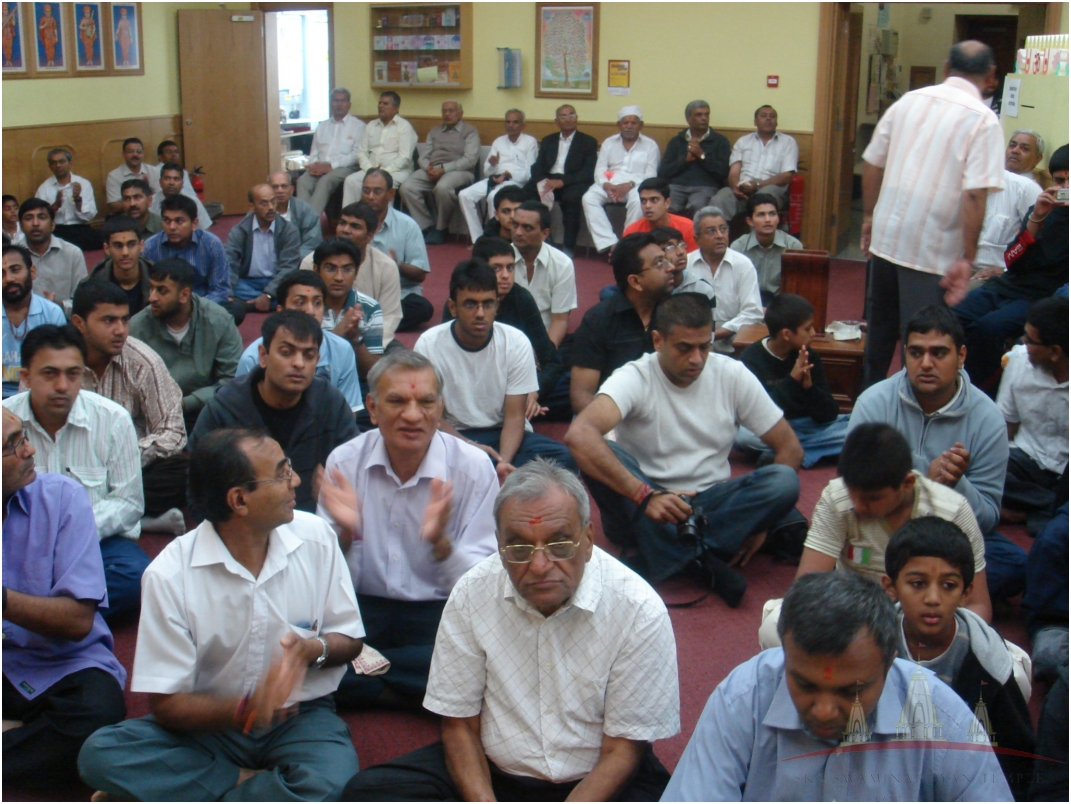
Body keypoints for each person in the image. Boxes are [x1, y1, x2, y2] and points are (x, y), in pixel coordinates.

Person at [342, 459, 680, 802]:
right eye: (519, 548)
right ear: (500, 547)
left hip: (600, 778)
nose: (540, 565)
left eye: (559, 544)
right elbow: (460, 725)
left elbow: (623, 750)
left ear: (589, 539)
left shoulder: (638, 609)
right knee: (368, 793)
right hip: (494, 770)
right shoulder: (472, 593)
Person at [77, 428, 365, 802]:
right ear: (239, 500)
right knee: (100, 753)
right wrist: (245, 709)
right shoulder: (170, 574)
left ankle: (189, 788)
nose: (295, 480)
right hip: (210, 723)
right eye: (281, 473)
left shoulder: (316, 537)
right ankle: (251, 784)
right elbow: (168, 706)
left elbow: (350, 639)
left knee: (335, 783)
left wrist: (313, 650)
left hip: (299, 715)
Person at [663, 571, 1013, 801]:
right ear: (785, 654)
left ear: (890, 662)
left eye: (851, 692)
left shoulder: (941, 716)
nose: (824, 711)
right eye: (805, 685)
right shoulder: (743, 696)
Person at [565, 293, 802, 605]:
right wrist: (645, 495)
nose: (697, 359)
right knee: (601, 452)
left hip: (708, 505)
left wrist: (764, 523)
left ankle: (672, 557)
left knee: (783, 481)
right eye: (685, 348)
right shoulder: (634, 376)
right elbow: (578, 435)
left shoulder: (731, 374)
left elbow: (790, 448)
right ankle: (704, 560)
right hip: (642, 506)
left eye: (705, 346)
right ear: (658, 341)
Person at [317, 349, 499, 709]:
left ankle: (371, 681)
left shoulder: (473, 468)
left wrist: (440, 543)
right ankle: (415, 688)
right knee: (308, 650)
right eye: (397, 401)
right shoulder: (345, 462)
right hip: (362, 610)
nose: (413, 416)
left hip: (437, 611)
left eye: (426, 402)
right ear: (372, 408)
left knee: (484, 659)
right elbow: (322, 579)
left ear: (441, 408)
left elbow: (484, 584)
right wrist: (344, 535)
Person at [758, 422, 992, 649]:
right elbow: (807, 587)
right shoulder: (837, 498)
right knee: (775, 626)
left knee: (1006, 662)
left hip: (923, 627)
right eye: (853, 494)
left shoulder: (952, 511)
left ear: (907, 483)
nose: (859, 506)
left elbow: (978, 605)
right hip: (851, 619)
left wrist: (941, 642)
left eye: (873, 498)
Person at [849, 306, 1026, 601]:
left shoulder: (988, 418)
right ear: (905, 354)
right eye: (916, 353)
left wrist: (956, 485)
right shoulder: (874, 403)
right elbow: (856, 494)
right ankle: (930, 591)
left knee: (1015, 566)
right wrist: (924, 486)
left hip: (951, 537)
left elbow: (987, 519)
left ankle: (899, 589)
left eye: (939, 353)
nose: (926, 364)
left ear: (961, 356)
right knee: (844, 542)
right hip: (884, 528)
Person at [860, 41, 1005, 389]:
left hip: (886, 238)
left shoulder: (908, 101)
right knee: (924, 343)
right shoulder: (983, 119)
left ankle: (866, 407)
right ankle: (915, 413)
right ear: (990, 76)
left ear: (945, 68)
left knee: (878, 338)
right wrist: (968, 258)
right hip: (931, 251)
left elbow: (872, 163)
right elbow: (974, 194)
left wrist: (868, 217)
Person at [1, 407, 127, 790]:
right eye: (12, 445)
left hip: (60, 663)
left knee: (97, 716)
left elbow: (76, 621)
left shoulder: (61, 498)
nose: (29, 451)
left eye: (24, 437)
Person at [881, 517, 1034, 799]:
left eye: (949, 585)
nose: (933, 598)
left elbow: (1013, 758)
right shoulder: (873, 650)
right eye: (918, 583)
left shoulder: (989, 664)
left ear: (966, 593)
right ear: (891, 587)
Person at [3, 325, 147, 619]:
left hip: (97, 542)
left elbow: (128, 502)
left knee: (136, 576)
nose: (62, 385)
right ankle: (61, 614)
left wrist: (71, 532)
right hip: (20, 544)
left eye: (73, 374)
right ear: (25, 377)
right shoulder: (7, 423)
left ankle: (35, 612)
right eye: (50, 374)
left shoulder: (113, 419)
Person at [414, 260, 577, 476]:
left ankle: (489, 474)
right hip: (452, 435)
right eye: (471, 304)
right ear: (453, 307)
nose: (480, 313)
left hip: (504, 435)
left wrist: (503, 463)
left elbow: (515, 417)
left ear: (497, 306)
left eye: (488, 304)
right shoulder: (428, 344)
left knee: (564, 460)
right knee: (420, 456)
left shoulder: (516, 342)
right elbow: (430, 415)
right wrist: (469, 448)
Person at [190, 311, 357, 513]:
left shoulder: (331, 403)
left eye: (309, 355)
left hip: (316, 521)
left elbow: (354, 471)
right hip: (245, 524)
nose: (299, 363)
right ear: (263, 355)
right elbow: (197, 487)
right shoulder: (225, 409)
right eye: (286, 352)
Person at [70, 281, 188, 536]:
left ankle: (95, 518)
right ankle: (133, 522)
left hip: (130, 468)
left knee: (185, 470)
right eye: (109, 321)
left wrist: (123, 458)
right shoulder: (56, 361)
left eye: (125, 320)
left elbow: (173, 430)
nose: (120, 330)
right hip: (70, 467)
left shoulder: (142, 361)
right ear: (79, 323)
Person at [954, 144, 1068, 392]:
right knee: (953, 316)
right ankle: (951, 382)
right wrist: (1036, 218)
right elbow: (1011, 259)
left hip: (1041, 297)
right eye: (1060, 181)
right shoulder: (1042, 210)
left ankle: (979, 392)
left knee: (988, 329)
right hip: (1007, 285)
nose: (1066, 188)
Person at [442, 236, 562, 418]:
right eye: (496, 268)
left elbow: (551, 359)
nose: (505, 275)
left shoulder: (522, 298)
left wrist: (533, 391)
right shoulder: (460, 302)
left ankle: (522, 408)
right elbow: (449, 360)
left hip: (517, 381)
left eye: (510, 267)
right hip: (470, 383)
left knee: (572, 384)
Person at [128, 258, 242, 433]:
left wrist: (185, 403)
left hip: (208, 410)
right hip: (154, 416)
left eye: (162, 291)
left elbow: (231, 382)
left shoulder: (219, 321)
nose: (152, 298)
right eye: (151, 288)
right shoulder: (137, 327)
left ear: (184, 295)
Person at [737, 293, 848, 467]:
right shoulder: (751, 359)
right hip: (772, 428)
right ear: (786, 334)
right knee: (743, 436)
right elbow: (759, 414)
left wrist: (809, 388)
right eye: (807, 329)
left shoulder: (810, 355)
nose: (813, 333)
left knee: (854, 427)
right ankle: (797, 451)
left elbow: (829, 415)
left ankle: (781, 452)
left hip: (808, 426)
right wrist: (792, 380)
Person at [569, 232, 673, 414]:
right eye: (659, 263)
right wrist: (615, 427)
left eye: (666, 260)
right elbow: (582, 395)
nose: (670, 267)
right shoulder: (599, 320)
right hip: (612, 413)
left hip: (664, 410)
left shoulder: (674, 313)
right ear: (635, 281)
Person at [236, 269, 365, 414]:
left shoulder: (342, 349)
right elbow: (242, 417)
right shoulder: (254, 357)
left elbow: (348, 415)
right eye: (300, 302)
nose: (310, 311)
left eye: (317, 303)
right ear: (281, 310)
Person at [996, 297, 1068, 534]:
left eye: (1029, 340)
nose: (1022, 343)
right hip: (1027, 460)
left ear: (1055, 351)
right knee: (980, 467)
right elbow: (1004, 427)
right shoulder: (1018, 362)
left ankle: (1033, 511)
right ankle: (1049, 512)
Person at [300, 206, 401, 344]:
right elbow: (302, 316)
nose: (345, 230)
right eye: (342, 223)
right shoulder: (310, 262)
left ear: (369, 235)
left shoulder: (386, 266)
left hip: (369, 339)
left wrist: (370, 344)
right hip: (318, 340)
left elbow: (390, 317)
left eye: (355, 226)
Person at [141, 194, 243, 325]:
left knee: (235, 310)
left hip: (202, 306)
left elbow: (220, 289)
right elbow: (146, 288)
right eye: (167, 221)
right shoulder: (151, 246)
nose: (172, 227)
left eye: (179, 221)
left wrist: (192, 309)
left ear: (194, 223)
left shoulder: (211, 244)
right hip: (165, 305)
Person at [360, 169, 433, 332]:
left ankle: (366, 322)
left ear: (391, 194)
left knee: (422, 309)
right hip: (360, 292)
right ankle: (379, 322)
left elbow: (420, 274)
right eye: (366, 190)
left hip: (397, 295)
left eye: (377, 191)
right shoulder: (352, 223)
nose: (370, 196)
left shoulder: (407, 225)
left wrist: (396, 265)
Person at [399, 100, 480, 245]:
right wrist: (427, 168)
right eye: (444, 111)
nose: (447, 114)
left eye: (451, 111)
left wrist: (444, 169)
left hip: (459, 170)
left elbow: (470, 160)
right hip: (433, 169)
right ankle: (426, 226)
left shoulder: (470, 131)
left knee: (443, 187)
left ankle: (441, 228)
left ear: (460, 113)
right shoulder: (434, 131)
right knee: (407, 187)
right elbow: (424, 156)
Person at [581, 106, 660, 254]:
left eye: (633, 123)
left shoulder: (650, 145)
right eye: (625, 123)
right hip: (610, 185)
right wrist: (605, 184)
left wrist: (629, 184)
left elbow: (651, 175)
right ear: (619, 125)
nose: (629, 126)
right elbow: (600, 169)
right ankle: (610, 243)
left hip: (637, 185)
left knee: (640, 200)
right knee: (589, 198)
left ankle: (628, 243)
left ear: (641, 125)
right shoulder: (609, 143)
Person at [523, 105, 598, 256]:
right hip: (548, 179)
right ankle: (541, 241)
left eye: (571, 115)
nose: (568, 119)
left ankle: (568, 248)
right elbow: (537, 166)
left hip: (572, 182)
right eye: (563, 116)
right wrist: (544, 181)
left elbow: (588, 172)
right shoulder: (548, 140)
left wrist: (563, 182)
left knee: (572, 199)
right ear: (556, 121)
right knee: (525, 194)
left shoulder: (588, 141)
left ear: (576, 118)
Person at [686, 206, 763, 352]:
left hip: (734, 346)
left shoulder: (743, 265)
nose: (720, 235)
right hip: (693, 346)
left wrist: (716, 334)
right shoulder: (686, 265)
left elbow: (753, 312)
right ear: (697, 239)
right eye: (711, 231)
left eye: (723, 229)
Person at [458, 109, 538, 241]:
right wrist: (492, 165)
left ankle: (496, 239)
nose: (510, 125)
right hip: (496, 179)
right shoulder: (498, 141)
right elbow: (486, 171)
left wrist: (509, 174)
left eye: (515, 122)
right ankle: (478, 239)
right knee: (464, 195)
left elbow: (531, 172)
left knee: (494, 197)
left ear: (523, 125)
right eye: (508, 122)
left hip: (516, 181)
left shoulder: (530, 142)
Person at [972, 136, 1045, 280]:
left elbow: (1039, 243)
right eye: (1012, 145)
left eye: (1024, 148)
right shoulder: (963, 182)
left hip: (995, 275)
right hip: (958, 266)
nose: (1015, 151)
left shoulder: (1026, 189)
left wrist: (1005, 271)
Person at [224, 183, 301, 311]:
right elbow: (229, 262)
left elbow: (289, 267)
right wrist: (228, 293)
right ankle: (272, 304)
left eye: (273, 202)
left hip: (278, 281)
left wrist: (268, 294)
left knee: (294, 287)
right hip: (248, 282)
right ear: (252, 207)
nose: (271, 207)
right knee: (229, 287)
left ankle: (247, 304)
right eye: (264, 203)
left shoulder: (289, 230)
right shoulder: (240, 230)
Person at [510, 201, 577, 347]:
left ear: (544, 233)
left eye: (527, 228)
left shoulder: (562, 264)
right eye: (515, 225)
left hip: (543, 340)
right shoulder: (498, 260)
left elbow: (560, 320)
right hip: (506, 341)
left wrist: (546, 354)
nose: (518, 232)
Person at [712, 105, 799, 217]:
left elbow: (786, 176)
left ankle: (757, 229)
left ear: (776, 122)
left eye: (772, 116)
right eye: (763, 116)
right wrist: (736, 187)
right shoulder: (743, 141)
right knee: (720, 198)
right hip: (743, 186)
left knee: (762, 198)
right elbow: (733, 172)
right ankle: (722, 228)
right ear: (755, 121)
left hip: (771, 188)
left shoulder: (788, 142)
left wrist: (758, 185)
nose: (768, 119)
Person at [2, 244, 65, 398]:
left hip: (40, 395)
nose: (9, 279)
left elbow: (61, 363)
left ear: (32, 272)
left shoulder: (51, 313)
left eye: (15, 270)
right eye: (1, 273)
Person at [295, 87, 366, 215]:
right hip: (320, 166)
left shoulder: (358, 126)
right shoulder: (322, 126)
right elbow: (314, 152)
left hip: (345, 167)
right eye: (335, 100)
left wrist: (331, 166)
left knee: (325, 181)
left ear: (349, 105)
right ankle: (302, 219)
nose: (339, 104)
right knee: (302, 181)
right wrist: (313, 166)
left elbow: (356, 155)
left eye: (343, 101)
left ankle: (310, 222)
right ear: (331, 103)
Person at [343, 91, 418, 206]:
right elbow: (361, 153)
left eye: (385, 103)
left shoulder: (404, 127)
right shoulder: (371, 125)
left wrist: (384, 172)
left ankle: (383, 217)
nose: (380, 106)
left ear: (396, 108)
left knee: (384, 184)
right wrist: (370, 170)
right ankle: (351, 215)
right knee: (351, 181)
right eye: (379, 103)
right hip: (370, 170)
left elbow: (405, 157)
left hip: (396, 171)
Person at [658, 100, 731, 217]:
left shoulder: (720, 141)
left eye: (706, 114)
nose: (704, 118)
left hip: (705, 187)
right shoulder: (676, 141)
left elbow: (723, 172)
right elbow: (663, 172)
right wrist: (684, 161)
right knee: (667, 206)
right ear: (688, 119)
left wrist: (702, 156)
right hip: (677, 187)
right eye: (699, 115)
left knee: (697, 206)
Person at [729, 193, 803, 302]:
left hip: (782, 304)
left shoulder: (793, 246)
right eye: (761, 215)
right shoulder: (738, 247)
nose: (768, 219)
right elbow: (733, 286)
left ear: (778, 218)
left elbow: (797, 287)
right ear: (750, 221)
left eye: (772, 214)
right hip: (747, 302)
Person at [19, 198, 87, 311]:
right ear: (21, 226)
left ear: (52, 225)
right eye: (28, 218)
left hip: (64, 319)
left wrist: (60, 305)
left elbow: (83, 299)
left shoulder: (72, 253)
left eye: (41, 217)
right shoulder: (9, 257)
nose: (35, 223)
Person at [34, 148, 100, 251]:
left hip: (79, 228)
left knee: (102, 237)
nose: (58, 165)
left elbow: (90, 216)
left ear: (70, 163)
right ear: (50, 166)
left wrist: (78, 200)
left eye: (61, 161)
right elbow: (38, 217)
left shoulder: (84, 184)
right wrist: (55, 206)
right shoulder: (44, 188)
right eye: (54, 163)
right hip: (56, 229)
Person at [86, 216, 152, 315]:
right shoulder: (92, 285)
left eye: (131, 244)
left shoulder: (156, 279)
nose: (125, 252)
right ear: (106, 248)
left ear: (141, 246)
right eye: (118, 246)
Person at [621, 177, 698, 251]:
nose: (647, 206)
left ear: (667, 203)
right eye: (643, 201)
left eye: (654, 200)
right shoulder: (632, 232)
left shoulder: (688, 228)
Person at [268, 170, 322, 258]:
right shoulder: (259, 212)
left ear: (292, 189)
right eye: (275, 187)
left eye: (284, 186)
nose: (280, 190)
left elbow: (311, 244)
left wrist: (292, 259)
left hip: (298, 259)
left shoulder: (304, 209)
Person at [150, 161, 213, 232]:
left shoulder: (193, 201)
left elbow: (205, 229)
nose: (171, 183)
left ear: (182, 183)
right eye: (167, 178)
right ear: (160, 182)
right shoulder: (150, 202)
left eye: (176, 179)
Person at [105, 137, 159, 214]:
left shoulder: (153, 171)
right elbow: (114, 205)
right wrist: (144, 197)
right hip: (126, 216)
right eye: (130, 152)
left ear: (143, 154)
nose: (135, 154)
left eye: (139, 152)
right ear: (123, 154)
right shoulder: (114, 176)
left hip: (151, 214)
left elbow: (160, 197)